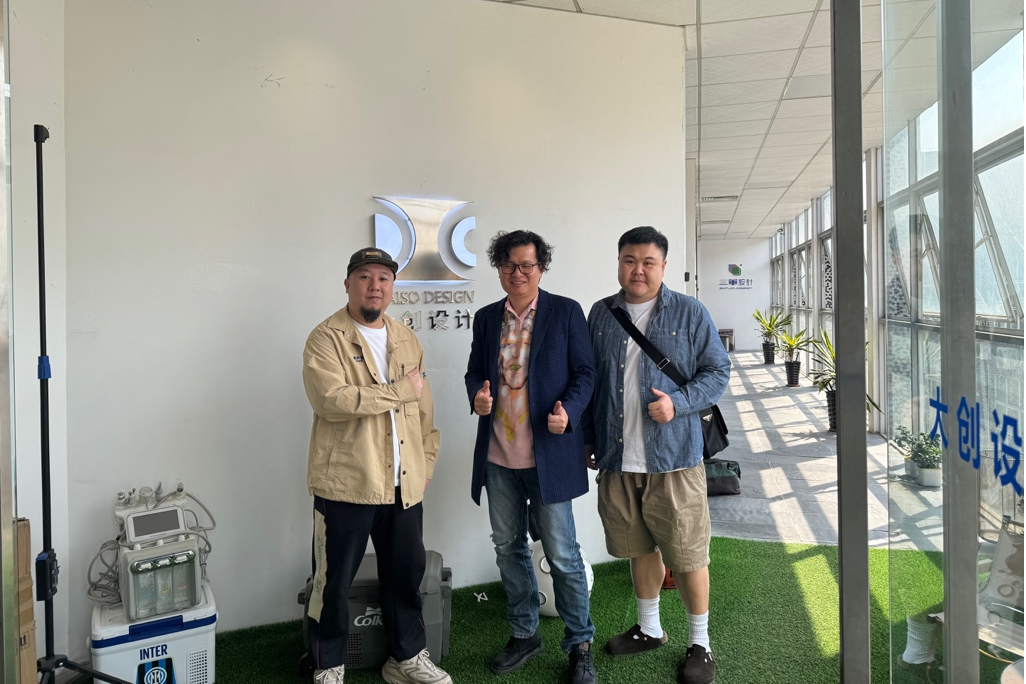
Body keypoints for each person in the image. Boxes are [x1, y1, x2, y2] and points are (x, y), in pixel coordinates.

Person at [584, 227, 730, 684]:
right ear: (619, 262)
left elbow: (718, 371)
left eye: (648, 262)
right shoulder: (601, 313)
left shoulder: (689, 311)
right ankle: (649, 629)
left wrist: (678, 403)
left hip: (674, 460)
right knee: (638, 548)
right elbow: (591, 381)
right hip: (618, 457)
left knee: (687, 554)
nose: (638, 270)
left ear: (663, 266)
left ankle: (700, 643)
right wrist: (588, 438)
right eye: (629, 260)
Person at [302, 248, 452, 684]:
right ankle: (328, 665)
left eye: (384, 278)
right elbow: (332, 401)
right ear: (347, 284)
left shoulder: (406, 338)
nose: (374, 285)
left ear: (392, 288)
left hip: (404, 484)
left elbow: (423, 410)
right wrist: (398, 391)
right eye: (365, 277)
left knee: (405, 575)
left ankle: (406, 658)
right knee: (332, 582)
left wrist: (425, 462)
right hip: (346, 483)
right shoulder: (325, 338)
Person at [465, 230, 598, 684]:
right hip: (498, 458)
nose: (517, 273)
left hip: (549, 456)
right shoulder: (487, 318)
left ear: (541, 268)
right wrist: (477, 397)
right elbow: (474, 373)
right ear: (499, 269)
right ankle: (525, 634)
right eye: (508, 265)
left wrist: (570, 412)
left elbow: (585, 373)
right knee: (509, 549)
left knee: (563, 554)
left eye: (526, 265)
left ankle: (580, 644)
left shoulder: (566, 312)